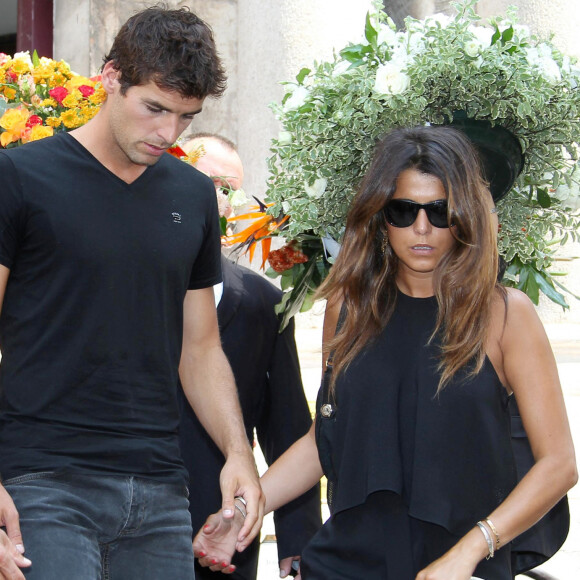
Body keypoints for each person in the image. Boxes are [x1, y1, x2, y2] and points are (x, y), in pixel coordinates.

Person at [192, 125, 577, 580]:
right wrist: (241, 510)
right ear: (380, 216)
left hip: (457, 568)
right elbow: (325, 440)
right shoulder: (348, 308)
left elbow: (559, 465)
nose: (421, 228)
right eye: (403, 210)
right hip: (347, 563)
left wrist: (471, 550)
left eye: (440, 211)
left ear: (465, 217)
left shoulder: (505, 315)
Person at [0, 7, 265, 580]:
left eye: (186, 118)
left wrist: (239, 456)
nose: (168, 134)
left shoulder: (194, 196)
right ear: (111, 76)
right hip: (42, 483)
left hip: (161, 493)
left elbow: (200, 349)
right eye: (155, 109)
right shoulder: (18, 177)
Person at [177, 133, 321, 580]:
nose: (219, 200)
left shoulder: (263, 302)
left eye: (230, 189)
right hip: (120, 522)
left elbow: (289, 426)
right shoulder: (120, 281)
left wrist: (298, 545)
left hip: (223, 529)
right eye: (210, 182)